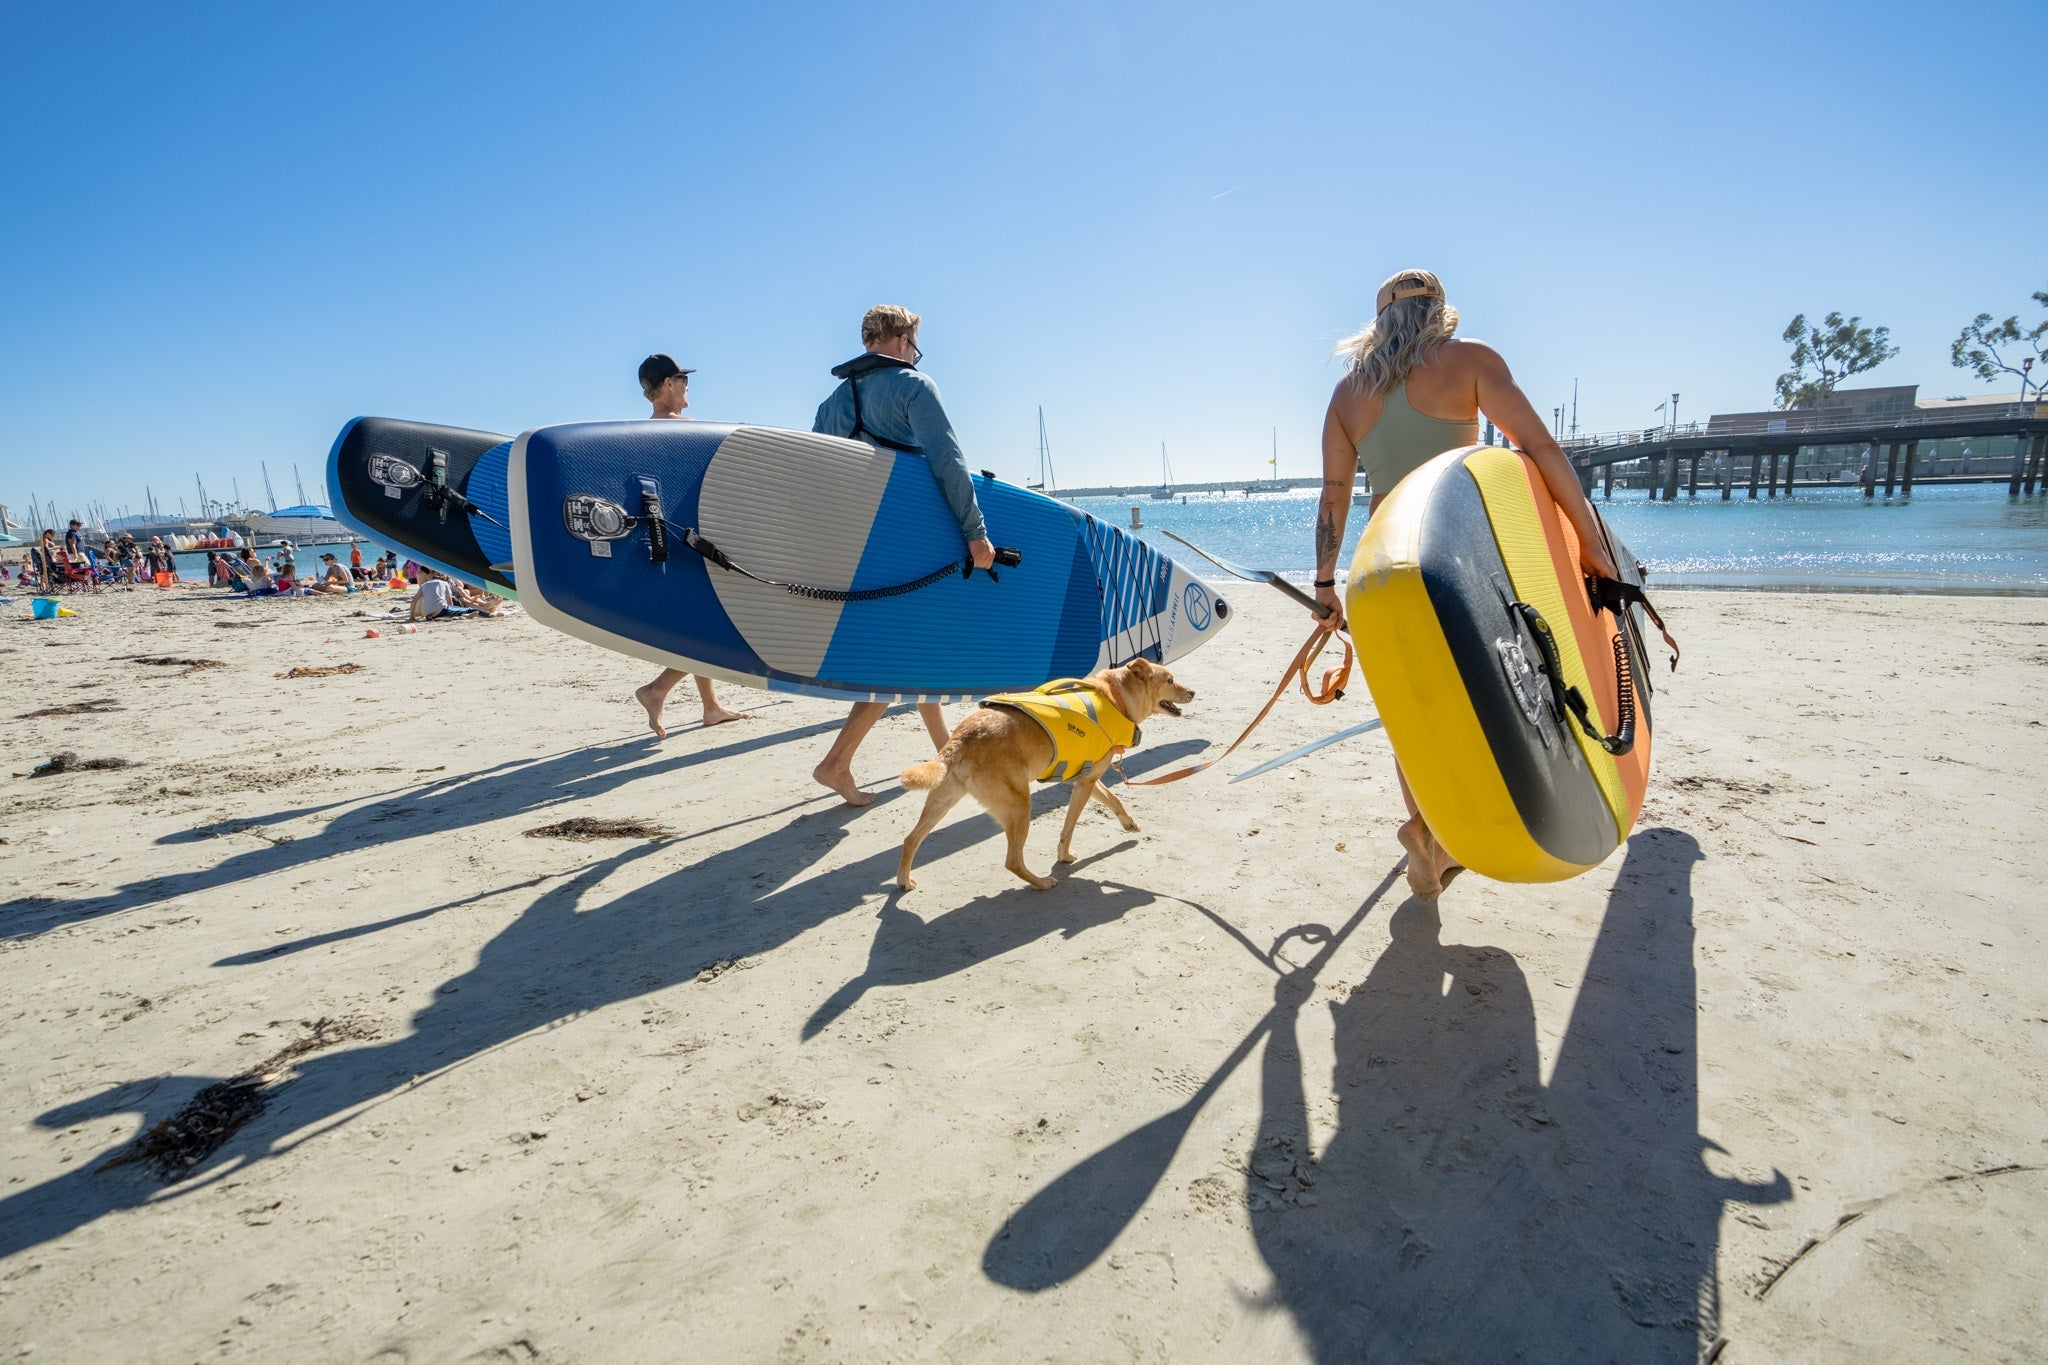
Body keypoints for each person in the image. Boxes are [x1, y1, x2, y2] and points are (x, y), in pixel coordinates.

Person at [1313, 269, 1617, 901]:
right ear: (1439, 314)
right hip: (1458, 563)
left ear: (1379, 324)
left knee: (1409, 712)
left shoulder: (1347, 397)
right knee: (1496, 697)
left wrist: (1323, 584)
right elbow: (1538, 447)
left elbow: (1334, 498)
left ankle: (1428, 831)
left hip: (1379, 572)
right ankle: (1469, 827)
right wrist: (1588, 539)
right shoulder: (1472, 362)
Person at [806, 305, 995, 806]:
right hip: (907, 541)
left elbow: (817, 476)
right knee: (900, 657)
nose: (915, 352)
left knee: (913, 651)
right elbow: (948, 462)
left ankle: (949, 756)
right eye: (914, 341)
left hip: (852, 544)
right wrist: (975, 533)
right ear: (898, 338)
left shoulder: (830, 403)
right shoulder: (914, 386)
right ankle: (836, 762)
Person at [626, 353, 750, 737]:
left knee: (699, 621)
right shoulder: (685, 430)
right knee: (713, 627)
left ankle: (710, 706)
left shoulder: (642, 433)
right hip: (698, 538)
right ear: (668, 384)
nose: (686, 386)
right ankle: (657, 689)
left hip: (672, 538)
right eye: (682, 379)